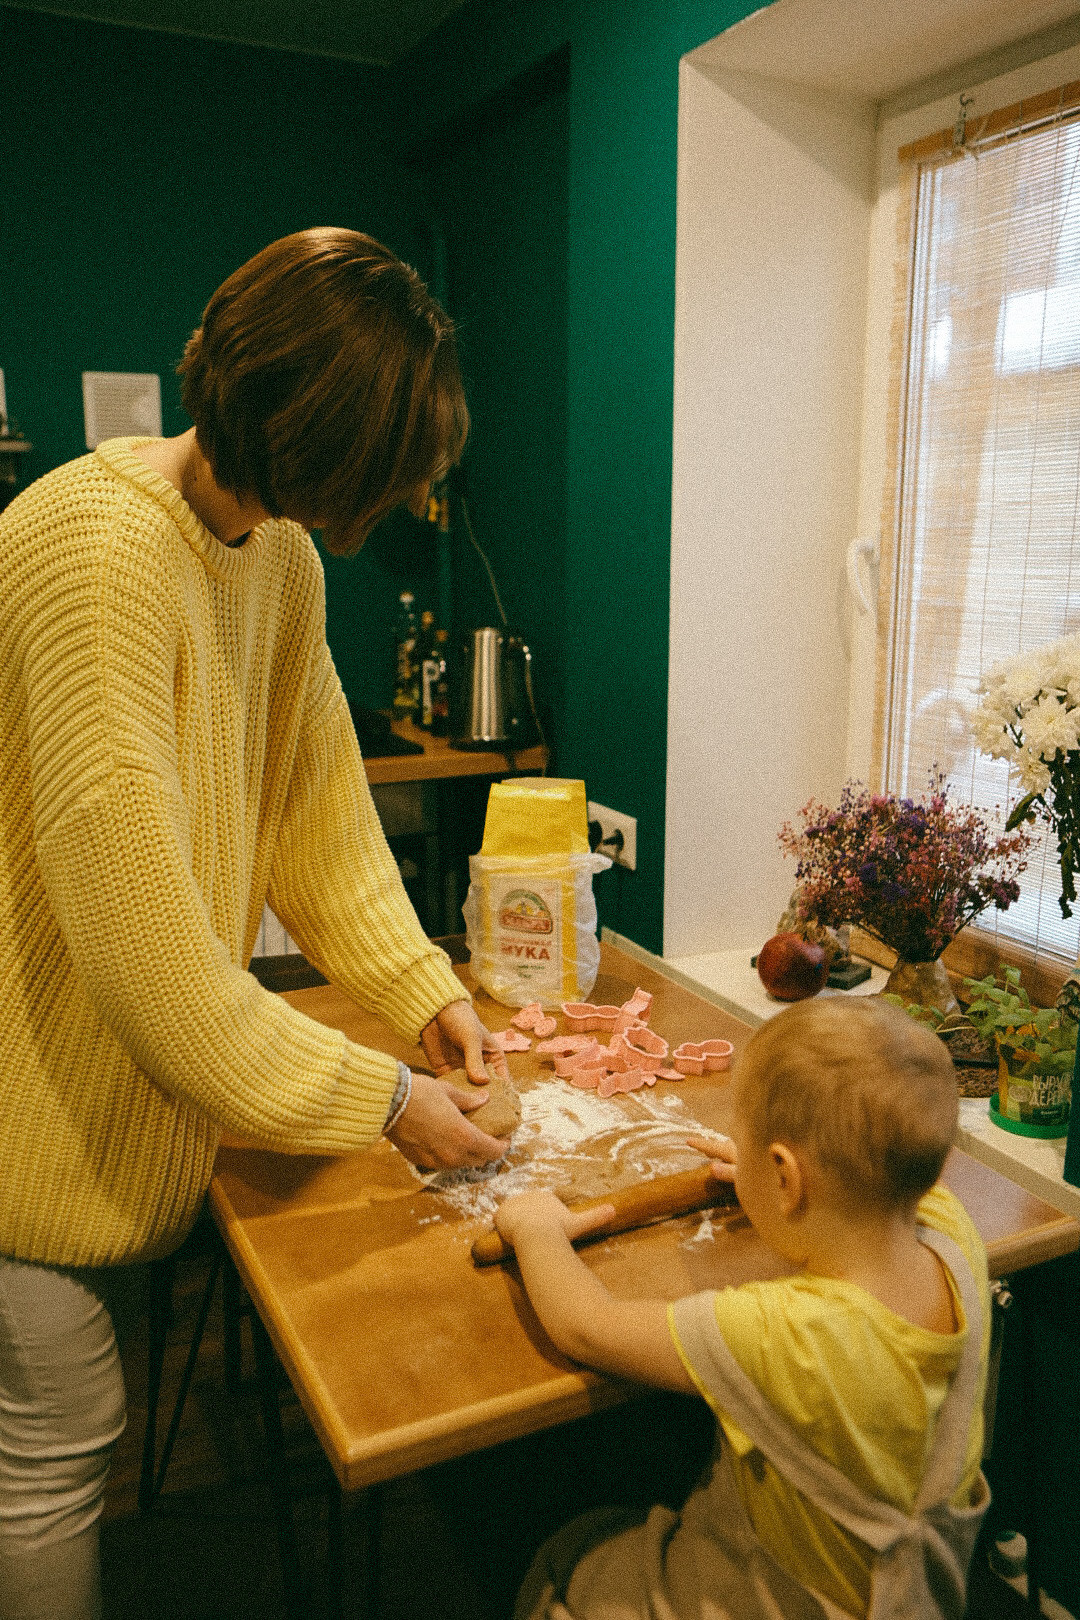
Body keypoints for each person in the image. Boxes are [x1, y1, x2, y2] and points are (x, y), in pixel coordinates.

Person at [0, 228, 512, 1620]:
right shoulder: (93, 550)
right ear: (322, 441)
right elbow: (155, 973)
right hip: (26, 1114)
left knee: (70, 1437)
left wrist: (423, 991)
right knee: (52, 1461)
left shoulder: (276, 554)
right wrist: (388, 1098)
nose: (401, 499)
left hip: (121, 1106)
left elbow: (317, 814)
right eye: (390, 468)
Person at [494, 996, 991, 1620]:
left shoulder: (784, 1333)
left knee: (565, 1556)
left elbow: (585, 1326)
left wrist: (535, 1229)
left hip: (774, 1604)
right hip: (922, 1599)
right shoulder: (955, 1238)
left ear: (785, 1177)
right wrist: (779, 1174)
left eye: (749, 1146)